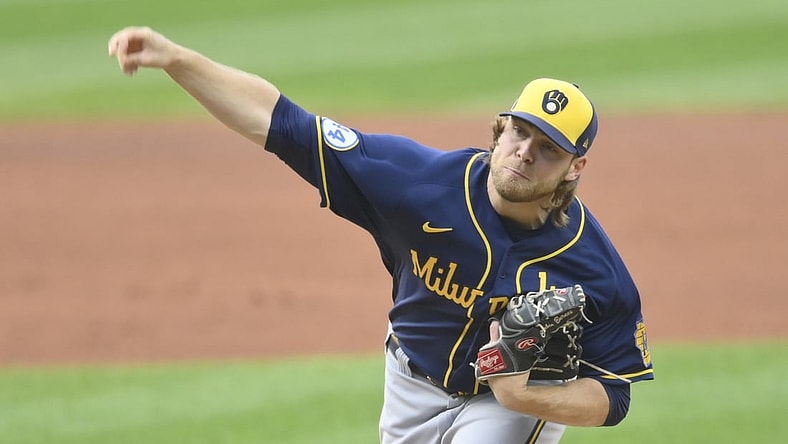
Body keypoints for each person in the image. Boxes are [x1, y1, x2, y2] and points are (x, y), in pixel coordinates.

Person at [108, 26, 654, 443]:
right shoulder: (416, 184)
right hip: (408, 384)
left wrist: (526, 396)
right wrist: (178, 60)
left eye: (549, 149)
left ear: (575, 168)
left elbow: (615, 394)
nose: (525, 152)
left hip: (502, 406)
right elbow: (282, 124)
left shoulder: (595, 271)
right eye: (519, 131)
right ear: (499, 127)